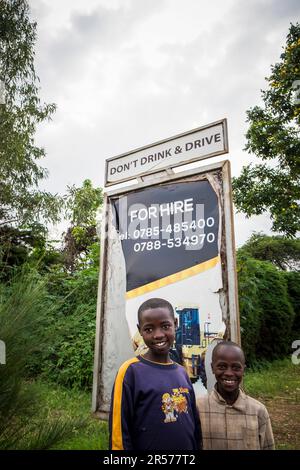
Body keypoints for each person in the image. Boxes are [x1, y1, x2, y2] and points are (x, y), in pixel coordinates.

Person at [109, 298, 201, 450]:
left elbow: (194, 423)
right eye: (149, 329)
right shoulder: (130, 372)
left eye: (165, 326)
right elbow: (119, 432)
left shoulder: (182, 373)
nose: (158, 335)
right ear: (140, 331)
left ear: (175, 324)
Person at [197, 340, 275, 450]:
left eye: (236, 367)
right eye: (222, 366)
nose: (229, 373)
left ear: (243, 370)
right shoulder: (198, 408)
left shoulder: (258, 411)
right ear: (212, 368)